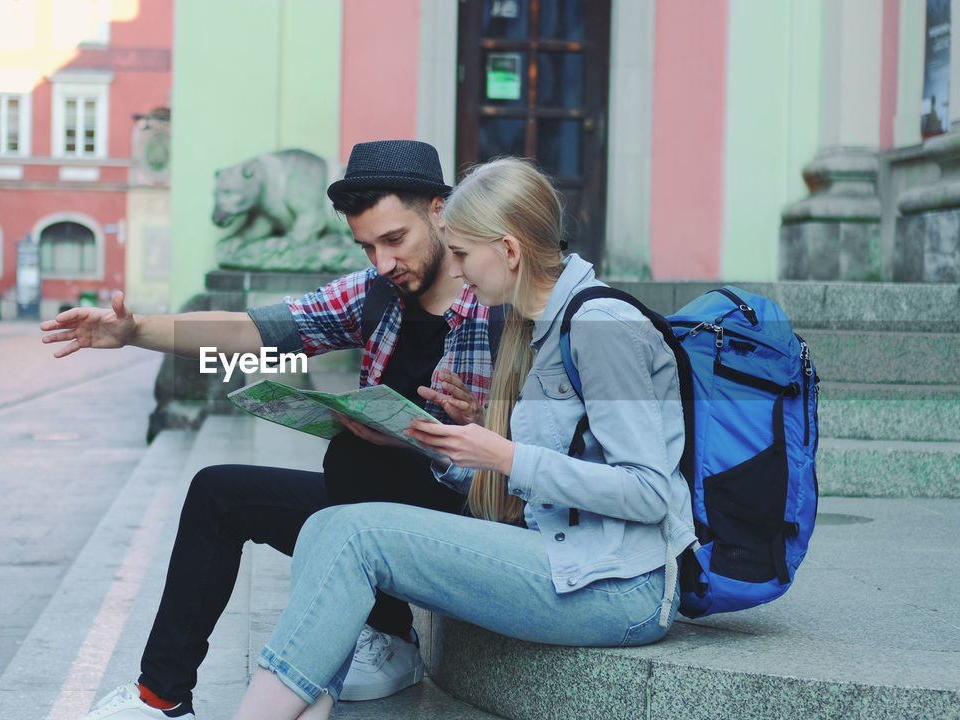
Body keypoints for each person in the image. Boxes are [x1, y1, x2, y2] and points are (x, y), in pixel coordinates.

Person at [41, 140, 500, 720]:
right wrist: (134, 332)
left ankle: (383, 630)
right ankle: (160, 699)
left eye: (394, 240)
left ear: (439, 209)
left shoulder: (498, 301)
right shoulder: (375, 293)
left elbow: (545, 453)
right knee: (220, 492)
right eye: (367, 247)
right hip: (369, 518)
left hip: (464, 529)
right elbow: (253, 331)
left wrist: (472, 428)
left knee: (364, 464)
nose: (382, 262)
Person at [228, 157, 697, 720]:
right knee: (328, 524)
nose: (456, 271)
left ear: (508, 250)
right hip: (565, 557)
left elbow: (650, 493)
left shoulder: (601, 328)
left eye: (461, 253)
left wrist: (502, 452)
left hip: (622, 588)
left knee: (354, 533)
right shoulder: (536, 326)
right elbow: (532, 477)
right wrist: (450, 443)